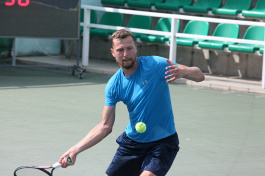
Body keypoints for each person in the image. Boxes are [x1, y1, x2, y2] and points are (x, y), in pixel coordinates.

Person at [59, 29, 205, 176]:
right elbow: (105, 126)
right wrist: (74, 150)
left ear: (136, 48)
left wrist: (184, 72)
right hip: (132, 144)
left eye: (129, 48)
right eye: (120, 50)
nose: (125, 54)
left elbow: (200, 76)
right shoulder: (114, 85)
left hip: (163, 142)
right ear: (113, 52)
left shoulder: (155, 65)